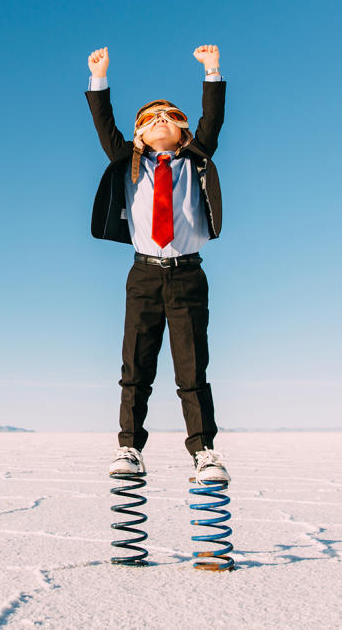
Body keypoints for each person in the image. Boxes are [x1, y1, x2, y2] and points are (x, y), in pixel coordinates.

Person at [84, 45, 230, 483]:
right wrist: (99, 77)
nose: (161, 121)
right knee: (136, 366)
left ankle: (204, 450)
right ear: (139, 135)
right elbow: (104, 124)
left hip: (188, 273)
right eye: (150, 120)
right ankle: (129, 447)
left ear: (184, 130)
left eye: (170, 116)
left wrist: (211, 70)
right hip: (144, 273)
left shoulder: (195, 158)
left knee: (191, 367)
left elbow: (212, 119)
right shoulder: (127, 162)